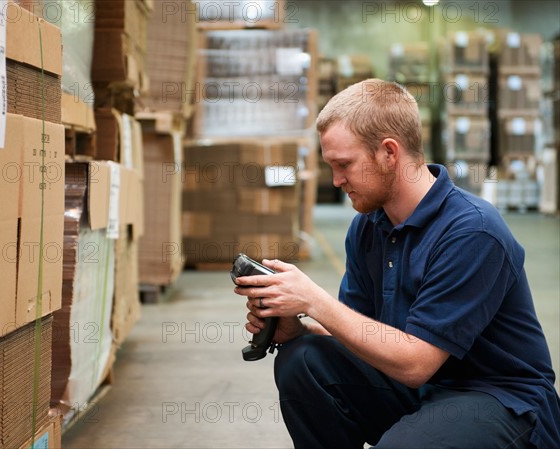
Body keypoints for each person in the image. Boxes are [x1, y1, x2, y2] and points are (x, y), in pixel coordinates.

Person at [233, 79, 560, 449]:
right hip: (421, 387)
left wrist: (315, 301)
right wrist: (300, 330)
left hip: (497, 398)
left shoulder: (472, 231)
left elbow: (416, 362)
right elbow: (362, 331)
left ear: (390, 152)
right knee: (302, 362)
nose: (337, 180)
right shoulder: (369, 226)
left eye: (344, 165)